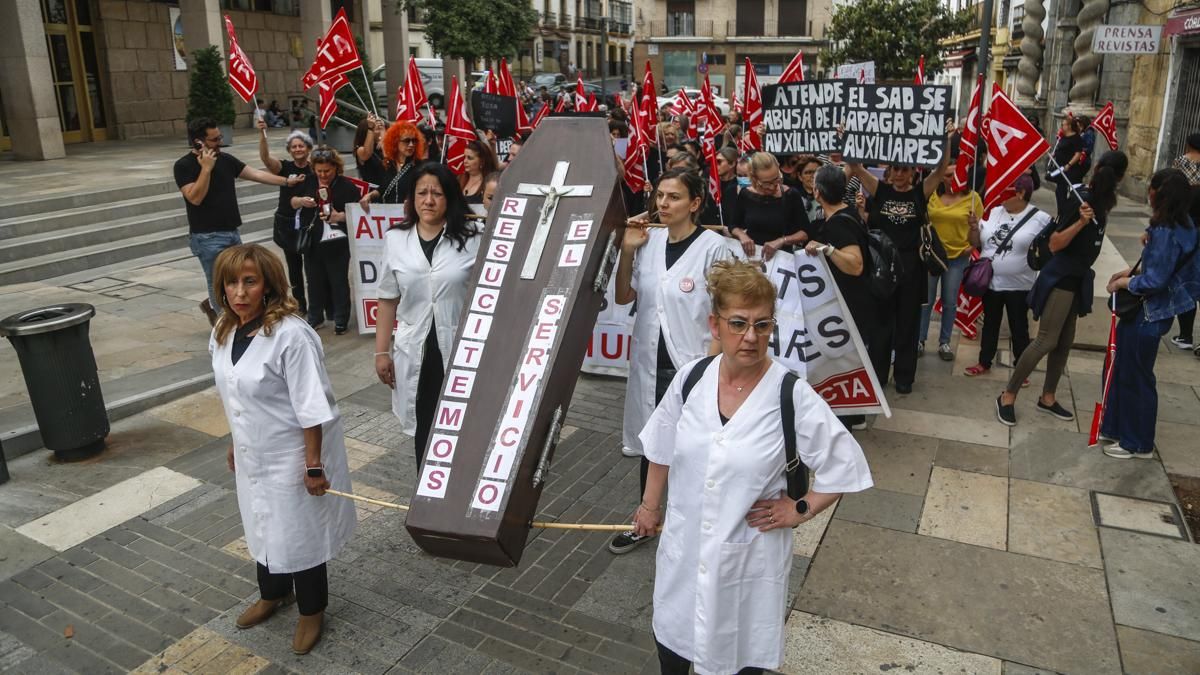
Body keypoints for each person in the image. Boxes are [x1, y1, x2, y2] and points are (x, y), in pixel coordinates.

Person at [633, 259, 872, 675]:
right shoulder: (691, 379)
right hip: (684, 557)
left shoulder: (790, 395)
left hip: (746, 564)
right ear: (715, 324)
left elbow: (844, 466)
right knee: (673, 653)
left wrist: (799, 510)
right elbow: (661, 446)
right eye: (738, 323)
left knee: (737, 660)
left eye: (762, 325)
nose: (750, 337)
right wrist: (650, 507)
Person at [210, 244, 355, 656]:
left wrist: (313, 465)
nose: (239, 292)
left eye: (250, 282)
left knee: (299, 532)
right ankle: (272, 593)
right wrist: (233, 439)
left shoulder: (291, 335)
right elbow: (233, 391)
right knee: (261, 524)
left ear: (269, 285)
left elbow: (311, 406)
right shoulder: (225, 329)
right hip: (253, 451)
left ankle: (312, 609)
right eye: (232, 282)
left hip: (292, 453)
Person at [610, 169, 732, 555]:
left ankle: (693, 530)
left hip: (693, 367)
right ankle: (646, 519)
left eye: (674, 197)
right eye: (660, 196)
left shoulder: (714, 248)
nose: (663, 204)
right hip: (650, 363)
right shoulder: (648, 241)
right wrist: (627, 249)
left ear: (695, 203)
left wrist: (710, 370)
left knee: (693, 452)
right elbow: (624, 295)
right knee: (654, 446)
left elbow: (725, 313)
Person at [997, 151, 1128, 426]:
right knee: (1046, 340)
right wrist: (1080, 222)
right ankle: (1007, 395)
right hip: (1061, 279)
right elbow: (1055, 244)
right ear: (1121, 178)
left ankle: (1048, 397)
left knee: (1064, 343)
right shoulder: (1082, 200)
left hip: (1078, 280)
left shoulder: (1101, 203)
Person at [373, 164, 481, 466]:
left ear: (450, 198)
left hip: (463, 348)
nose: (429, 200)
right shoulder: (396, 239)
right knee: (426, 424)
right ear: (412, 198)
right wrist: (381, 352)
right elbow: (387, 299)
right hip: (417, 348)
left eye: (437, 193)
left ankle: (460, 488)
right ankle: (427, 490)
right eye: (422, 193)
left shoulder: (474, 237)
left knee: (463, 422)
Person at [1102, 168, 1200, 457]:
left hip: (1148, 312)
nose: (1148, 191)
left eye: (1152, 187)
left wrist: (1124, 281)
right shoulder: (1182, 227)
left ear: (1160, 194)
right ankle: (1117, 427)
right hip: (1154, 313)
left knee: (1136, 376)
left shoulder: (1167, 231)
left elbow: (1156, 280)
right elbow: (1162, 269)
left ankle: (1137, 442)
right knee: (1123, 369)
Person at [175, 117, 304, 325]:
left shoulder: (225, 159)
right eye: (215, 139)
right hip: (207, 237)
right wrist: (206, 168)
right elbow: (195, 197)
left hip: (232, 232)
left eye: (220, 137)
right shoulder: (183, 166)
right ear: (199, 142)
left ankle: (221, 311)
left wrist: (287, 182)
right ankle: (226, 326)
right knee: (218, 282)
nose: (220, 141)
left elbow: (254, 174)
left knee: (238, 277)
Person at [849, 151, 947, 394]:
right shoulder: (880, 190)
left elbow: (942, 168)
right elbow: (855, 166)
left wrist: (945, 139)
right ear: (889, 171)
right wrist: (847, 137)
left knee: (908, 324)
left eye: (905, 169)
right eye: (896, 169)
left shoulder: (919, 193)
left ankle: (904, 377)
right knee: (881, 323)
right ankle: (879, 374)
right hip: (882, 268)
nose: (900, 173)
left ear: (913, 172)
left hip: (911, 269)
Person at [805, 165, 875, 431]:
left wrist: (828, 248)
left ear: (817, 193)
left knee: (844, 359)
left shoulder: (838, 225)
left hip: (849, 305)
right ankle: (856, 414)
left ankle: (845, 417)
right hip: (853, 303)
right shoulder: (846, 214)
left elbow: (855, 265)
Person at [963, 175, 1048, 379]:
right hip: (991, 283)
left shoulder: (1040, 218)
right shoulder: (994, 212)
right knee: (990, 323)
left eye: (1005, 191)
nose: (1000, 196)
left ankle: (1021, 369)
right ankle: (984, 361)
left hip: (1020, 286)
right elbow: (975, 242)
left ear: (1020, 193)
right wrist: (973, 228)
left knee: (1019, 327)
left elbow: (1049, 248)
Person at [291, 147, 359, 334]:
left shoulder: (347, 186)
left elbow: (357, 214)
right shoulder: (309, 181)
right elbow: (292, 201)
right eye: (319, 171)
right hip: (313, 243)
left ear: (336, 168)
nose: (323, 175)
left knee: (339, 282)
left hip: (338, 244)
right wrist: (300, 201)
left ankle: (340, 319)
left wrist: (340, 216)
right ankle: (315, 317)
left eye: (327, 171)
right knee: (313, 282)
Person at [919, 164, 983, 360]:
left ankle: (944, 342)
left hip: (957, 258)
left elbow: (979, 234)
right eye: (946, 175)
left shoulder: (973, 199)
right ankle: (920, 340)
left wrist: (972, 243)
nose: (950, 179)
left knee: (949, 301)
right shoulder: (931, 194)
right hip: (932, 256)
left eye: (954, 175)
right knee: (926, 301)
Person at [256, 119, 314, 314]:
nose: (298, 149)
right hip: (288, 224)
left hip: (310, 223)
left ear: (308, 148)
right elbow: (265, 159)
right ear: (290, 150)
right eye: (294, 147)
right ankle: (300, 305)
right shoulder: (285, 167)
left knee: (313, 266)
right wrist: (262, 135)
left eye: (301, 146)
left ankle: (316, 304)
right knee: (294, 268)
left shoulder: (315, 167)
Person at [731, 152, 810, 260]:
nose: (773, 186)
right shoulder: (745, 194)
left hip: (782, 259)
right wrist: (742, 235)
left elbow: (805, 233)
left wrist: (782, 241)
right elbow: (733, 225)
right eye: (767, 183)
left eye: (776, 179)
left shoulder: (791, 195)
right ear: (754, 179)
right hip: (752, 258)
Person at [1169, 132, 1200, 350]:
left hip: (1186, 224)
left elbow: (1172, 192)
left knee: (1185, 280)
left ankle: (1186, 336)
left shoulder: (1181, 162)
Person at [360, 120, 427, 208]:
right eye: (407, 141)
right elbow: (383, 188)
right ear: (395, 142)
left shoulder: (421, 167)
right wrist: (369, 195)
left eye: (414, 141)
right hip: (389, 217)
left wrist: (414, 201)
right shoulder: (387, 164)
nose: (411, 145)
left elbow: (425, 192)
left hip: (411, 216)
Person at [1050, 115, 1088, 217]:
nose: (1062, 126)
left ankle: (1067, 213)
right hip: (1060, 168)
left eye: (1064, 125)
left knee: (1069, 191)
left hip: (1069, 169)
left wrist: (1069, 164)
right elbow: (1061, 148)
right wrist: (1055, 154)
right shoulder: (1064, 137)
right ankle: (1061, 212)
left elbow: (1078, 153)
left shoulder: (1076, 138)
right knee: (1060, 191)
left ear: (1070, 126)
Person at [353, 113, 389, 188]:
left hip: (386, 187)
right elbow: (367, 153)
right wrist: (370, 128)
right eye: (377, 129)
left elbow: (389, 159)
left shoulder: (380, 145)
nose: (379, 132)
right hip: (372, 190)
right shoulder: (360, 149)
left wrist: (383, 131)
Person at [458, 139, 499, 205]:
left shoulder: (490, 182)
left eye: (470, 158)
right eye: (464, 157)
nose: (465, 161)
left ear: (482, 161)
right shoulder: (459, 179)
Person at [795, 156, 825, 225]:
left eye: (817, 172)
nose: (813, 176)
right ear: (800, 176)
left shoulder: (829, 195)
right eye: (808, 172)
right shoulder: (793, 196)